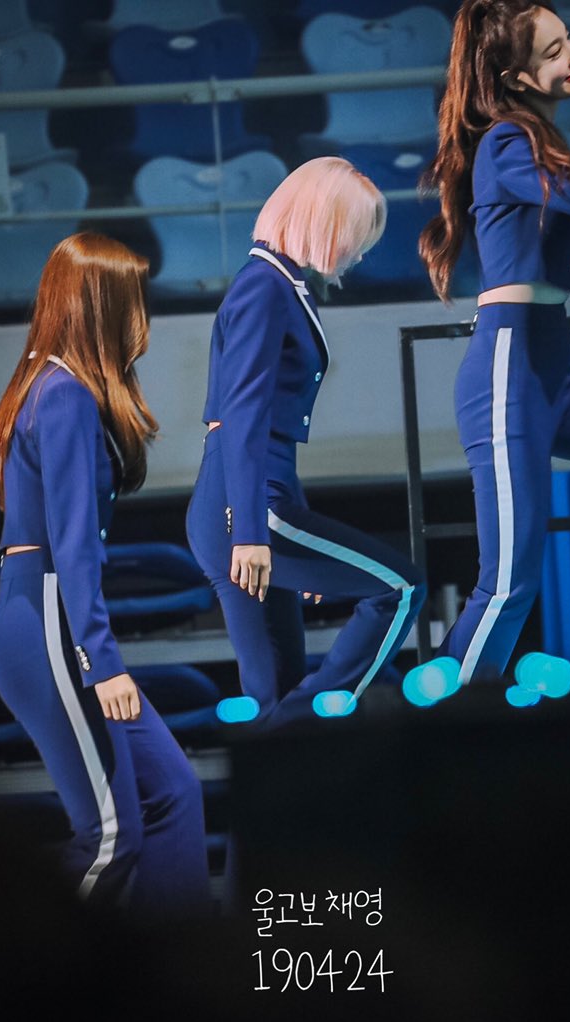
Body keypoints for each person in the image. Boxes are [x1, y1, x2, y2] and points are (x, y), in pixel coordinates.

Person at [417, 0, 570, 684]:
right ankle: (446, 717)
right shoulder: (505, 144)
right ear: (517, 78)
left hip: (556, 367)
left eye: (567, 41)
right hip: (509, 369)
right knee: (510, 581)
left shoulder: (544, 146)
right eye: (552, 52)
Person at [0, 233, 210, 915]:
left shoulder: (48, 385)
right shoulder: (65, 394)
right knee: (111, 838)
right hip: (48, 619)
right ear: (101, 305)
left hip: (46, 616)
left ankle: (176, 964)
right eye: (133, 296)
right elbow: (74, 546)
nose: (142, 312)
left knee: (173, 792)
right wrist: (102, 662)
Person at [186, 157, 426, 728]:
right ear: (323, 220)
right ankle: (306, 726)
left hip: (243, 500)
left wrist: (292, 541)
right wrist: (251, 532)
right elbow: (242, 417)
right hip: (245, 506)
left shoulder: (278, 284)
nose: (359, 253)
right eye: (355, 235)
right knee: (400, 589)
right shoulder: (266, 287)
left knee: (271, 692)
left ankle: (285, 737)